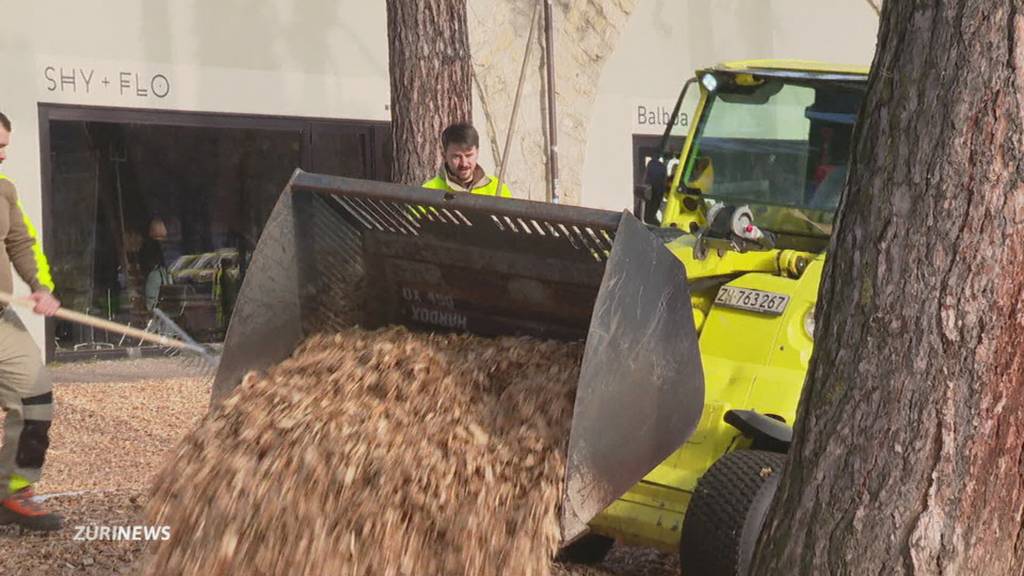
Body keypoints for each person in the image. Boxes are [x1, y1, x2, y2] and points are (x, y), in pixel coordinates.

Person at [0, 111, 63, 531]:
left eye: (5, 145)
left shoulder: (3, 190)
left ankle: (13, 491)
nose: (2, 154)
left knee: (36, 397)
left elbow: (20, 241)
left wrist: (40, 285)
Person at [422, 123, 512, 198]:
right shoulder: (428, 192)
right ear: (444, 155)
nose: (464, 163)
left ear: (477, 152)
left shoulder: (497, 188)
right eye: (456, 156)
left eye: (469, 155)